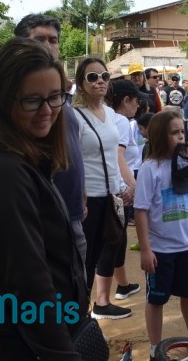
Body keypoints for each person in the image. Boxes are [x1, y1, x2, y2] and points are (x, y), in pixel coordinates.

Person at [0, 38, 87, 359]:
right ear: (1, 99)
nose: (47, 110)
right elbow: (29, 282)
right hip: (11, 347)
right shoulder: (2, 171)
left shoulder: (22, 156)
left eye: (55, 97)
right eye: (32, 100)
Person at [15, 14, 89, 278]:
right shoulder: (16, 98)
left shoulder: (62, 98)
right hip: (41, 220)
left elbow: (70, 147)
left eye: (53, 40)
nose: (48, 45)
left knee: (76, 287)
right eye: (40, 39)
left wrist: (81, 189)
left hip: (72, 213)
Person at [134, 110, 188, 359]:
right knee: (156, 300)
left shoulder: (186, 163)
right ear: (159, 135)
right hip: (160, 252)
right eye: (174, 133)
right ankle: (155, 349)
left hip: (187, 247)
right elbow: (141, 211)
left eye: (182, 133)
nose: (180, 137)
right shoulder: (149, 169)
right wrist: (145, 249)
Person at [73, 56, 135, 320]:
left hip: (111, 196)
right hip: (89, 199)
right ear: (81, 83)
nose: (99, 81)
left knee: (107, 250)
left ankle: (98, 304)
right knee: (85, 260)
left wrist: (124, 185)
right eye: (92, 77)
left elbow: (113, 156)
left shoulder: (110, 114)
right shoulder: (74, 116)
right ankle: (79, 314)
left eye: (104, 76)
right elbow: (70, 160)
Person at [110, 79, 150, 303]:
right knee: (116, 240)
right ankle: (109, 294)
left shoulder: (108, 117)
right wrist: (133, 187)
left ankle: (122, 284)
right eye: (136, 101)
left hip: (115, 185)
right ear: (126, 100)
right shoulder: (122, 122)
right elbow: (118, 156)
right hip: (120, 188)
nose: (138, 106)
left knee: (117, 238)